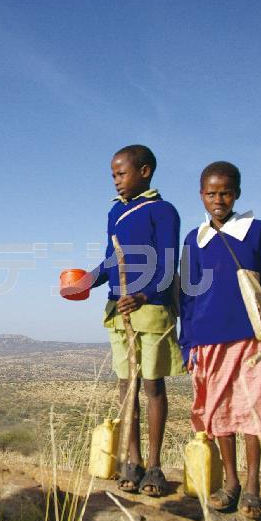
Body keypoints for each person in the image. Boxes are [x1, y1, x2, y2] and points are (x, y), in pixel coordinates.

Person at [178, 161, 261, 516]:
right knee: (220, 413)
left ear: (237, 193)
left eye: (225, 192)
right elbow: (186, 295)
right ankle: (231, 482)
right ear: (201, 195)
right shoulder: (194, 239)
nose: (218, 200)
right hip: (208, 339)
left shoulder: (254, 230)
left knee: (252, 410)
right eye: (211, 193)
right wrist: (187, 342)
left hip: (247, 338)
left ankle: (253, 484)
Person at [85, 144, 181, 497]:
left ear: (145, 172)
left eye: (121, 173)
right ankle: (132, 459)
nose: (116, 181)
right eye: (113, 175)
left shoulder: (163, 211)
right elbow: (111, 260)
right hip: (118, 309)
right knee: (127, 388)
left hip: (151, 308)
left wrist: (143, 295)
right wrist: (87, 280)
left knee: (153, 385)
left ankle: (154, 465)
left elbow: (168, 267)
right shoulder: (115, 214)